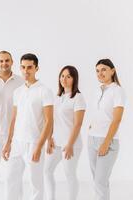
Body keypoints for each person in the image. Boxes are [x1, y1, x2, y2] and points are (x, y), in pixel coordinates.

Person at [2, 53, 54, 200]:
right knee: (10, 180)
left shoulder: (44, 90)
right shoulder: (18, 91)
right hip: (17, 143)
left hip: (34, 142)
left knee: (35, 184)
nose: (26, 71)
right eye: (23, 67)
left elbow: (49, 120)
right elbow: (14, 119)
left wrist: (39, 146)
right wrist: (8, 143)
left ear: (36, 68)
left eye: (30, 67)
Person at [0, 51, 24, 200]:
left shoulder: (20, 82)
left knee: (14, 175)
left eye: (7, 60)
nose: (4, 64)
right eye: (1, 61)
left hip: (14, 135)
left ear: (12, 62)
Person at [44, 66, 86, 200]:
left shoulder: (78, 98)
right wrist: (49, 138)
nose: (64, 79)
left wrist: (69, 144)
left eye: (68, 76)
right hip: (56, 143)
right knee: (47, 170)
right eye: (62, 76)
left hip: (71, 144)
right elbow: (51, 120)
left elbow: (78, 124)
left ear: (74, 79)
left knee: (69, 174)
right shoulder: (57, 97)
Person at [88, 59, 125, 200]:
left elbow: (117, 119)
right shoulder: (98, 90)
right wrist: (91, 125)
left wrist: (106, 142)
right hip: (92, 138)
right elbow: (100, 113)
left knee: (100, 182)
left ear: (112, 70)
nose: (100, 73)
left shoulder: (118, 91)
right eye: (97, 70)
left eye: (103, 69)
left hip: (107, 140)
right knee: (97, 181)